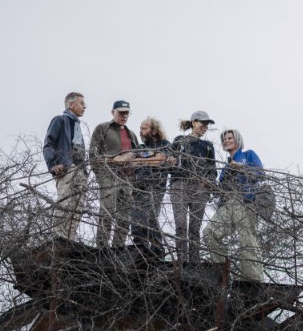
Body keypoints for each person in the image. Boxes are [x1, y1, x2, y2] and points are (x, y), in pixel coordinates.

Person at [203, 129, 264, 281]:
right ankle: (221, 274)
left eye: (230, 138)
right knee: (209, 232)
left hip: (245, 201)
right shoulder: (225, 167)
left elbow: (260, 173)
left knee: (247, 241)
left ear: (237, 139)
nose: (227, 141)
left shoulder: (247, 155)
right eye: (224, 139)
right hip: (227, 204)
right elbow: (221, 190)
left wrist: (241, 167)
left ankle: (253, 281)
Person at [90, 100, 140, 248]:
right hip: (108, 177)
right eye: (121, 113)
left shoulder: (132, 135)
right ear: (113, 112)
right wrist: (102, 174)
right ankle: (102, 249)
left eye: (127, 113)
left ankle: (118, 250)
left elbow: (137, 158)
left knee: (124, 218)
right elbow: (93, 155)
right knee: (107, 213)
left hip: (127, 180)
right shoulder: (102, 128)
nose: (124, 116)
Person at [170, 111, 217, 263]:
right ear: (194, 122)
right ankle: (182, 261)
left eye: (207, 124)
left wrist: (208, 184)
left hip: (200, 188)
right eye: (203, 123)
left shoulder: (208, 146)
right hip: (180, 184)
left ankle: (194, 263)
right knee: (181, 224)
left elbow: (212, 170)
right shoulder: (179, 141)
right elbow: (170, 163)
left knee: (195, 229)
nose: (205, 126)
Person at [42, 92, 88, 241]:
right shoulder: (60, 120)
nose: (84, 106)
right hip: (66, 170)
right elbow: (48, 144)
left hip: (80, 171)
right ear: (71, 105)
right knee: (64, 206)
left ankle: (69, 241)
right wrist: (53, 165)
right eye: (81, 103)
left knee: (77, 209)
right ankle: (58, 241)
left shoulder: (77, 126)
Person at [130, 117, 172, 256]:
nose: (140, 131)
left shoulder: (165, 144)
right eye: (140, 128)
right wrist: (146, 160)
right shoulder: (141, 147)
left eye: (144, 128)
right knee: (136, 222)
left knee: (149, 219)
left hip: (155, 188)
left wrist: (141, 160)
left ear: (153, 131)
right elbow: (131, 163)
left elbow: (159, 160)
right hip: (138, 188)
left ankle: (157, 252)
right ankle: (139, 254)